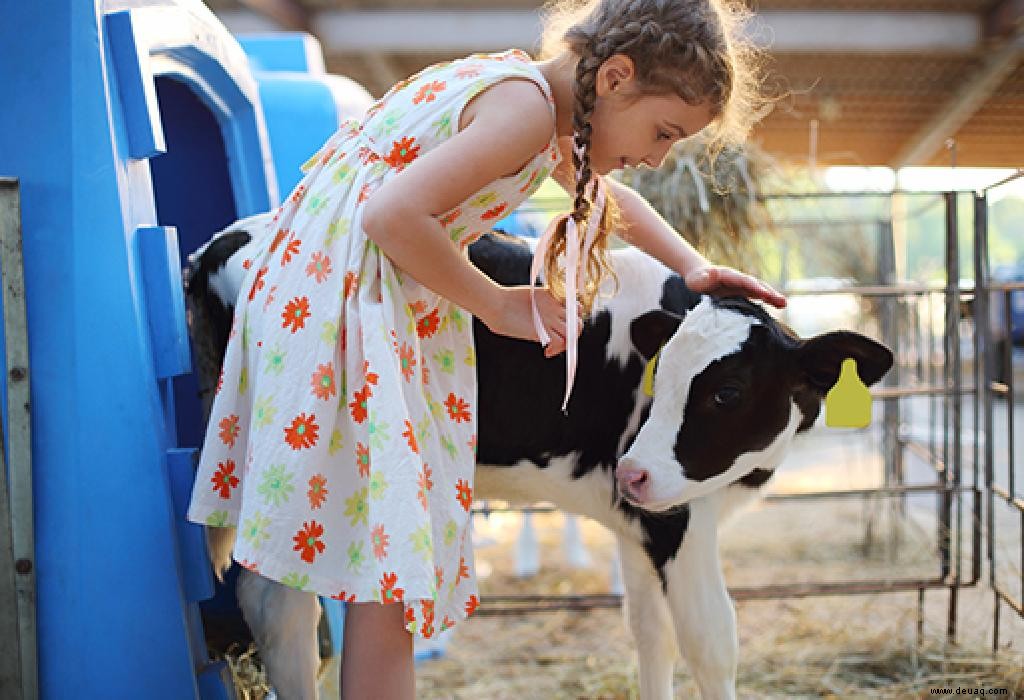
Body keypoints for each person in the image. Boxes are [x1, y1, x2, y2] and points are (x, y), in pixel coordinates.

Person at [187, 0, 786, 696]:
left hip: (334, 302)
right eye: (663, 132)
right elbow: (390, 216)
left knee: (386, 567)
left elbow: (610, 201)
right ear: (617, 77)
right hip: (355, 311)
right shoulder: (526, 112)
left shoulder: (534, 101)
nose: (656, 158)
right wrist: (496, 303)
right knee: (390, 567)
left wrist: (693, 268)